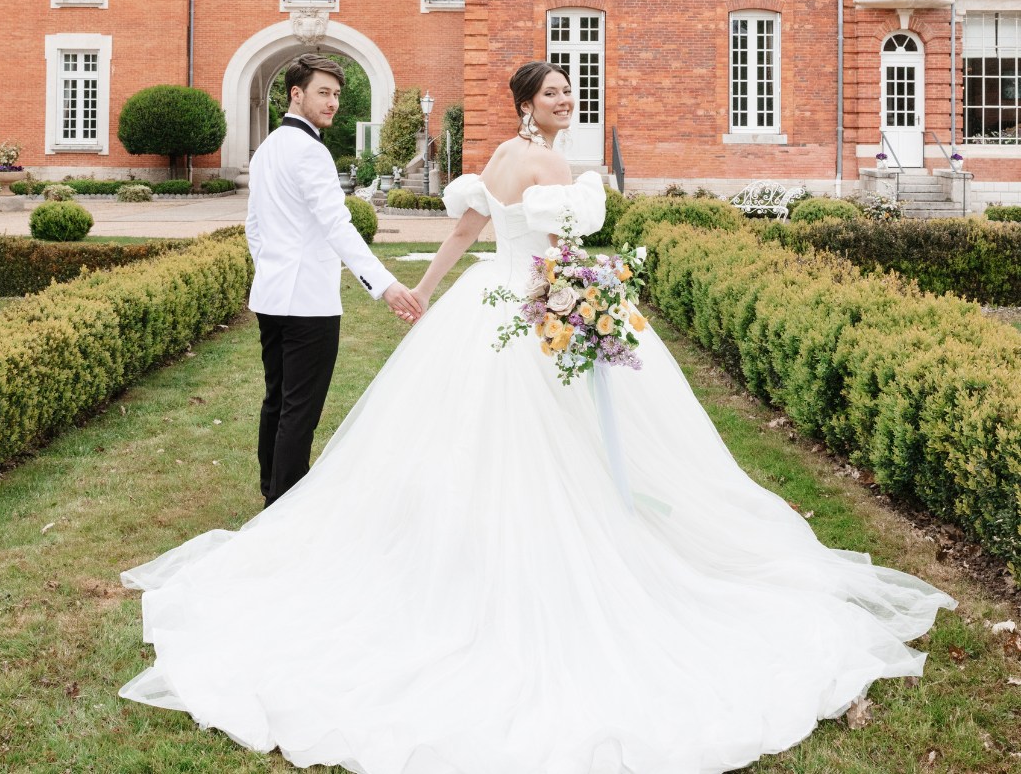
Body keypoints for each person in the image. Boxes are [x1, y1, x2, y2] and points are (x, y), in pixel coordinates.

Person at [121, 60, 954, 773]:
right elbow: (510, 242)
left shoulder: (525, 158)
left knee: (544, 440)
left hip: (532, 302)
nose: (566, 98)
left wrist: (462, 292)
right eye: (554, 92)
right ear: (527, 103)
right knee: (527, 441)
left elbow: (480, 235)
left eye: (569, 90)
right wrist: (490, 292)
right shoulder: (536, 164)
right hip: (534, 308)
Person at [244, 53, 421, 504]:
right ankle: (282, 503)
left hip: (271, 295)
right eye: (324, 92)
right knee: (298, 408)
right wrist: (384, 284)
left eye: (337, 94)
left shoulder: (265, 149)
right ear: (296, 94)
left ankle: (271, 490)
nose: (334, 102)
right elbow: (337, 226)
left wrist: (270, 269)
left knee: (277, 400)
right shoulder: (311, 151)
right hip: (308, 303)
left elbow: (254, 227)